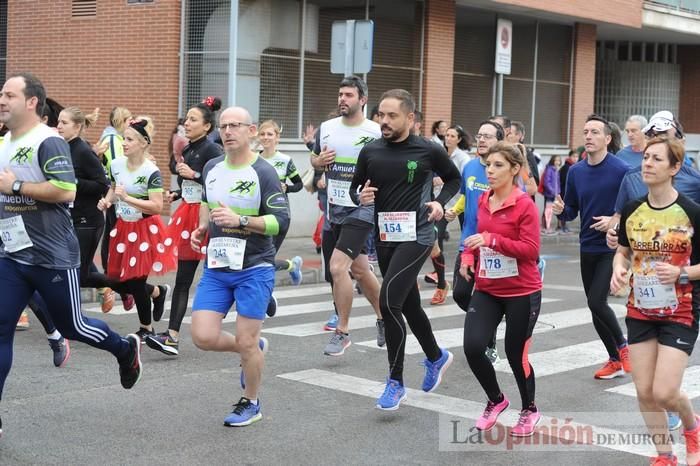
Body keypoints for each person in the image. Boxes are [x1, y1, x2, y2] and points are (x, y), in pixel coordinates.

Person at [0, 72, 142, 436]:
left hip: (52, 255)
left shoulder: (47, 141)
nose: (2, 100)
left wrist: (14, 185)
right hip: (12, 254)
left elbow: (65, 191)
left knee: (72, 326)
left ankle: (125, 350)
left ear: (32, 102)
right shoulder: (3, 142)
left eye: (9, 95)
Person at [350, 89, 461, 410]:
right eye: (380, 115)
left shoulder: (428, 150)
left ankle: (395, 381)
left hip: (419, 234)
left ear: (410, 118)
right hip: (385, 236)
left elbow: (454, 180)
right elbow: (359, 187)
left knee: (388, 303)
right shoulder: (370, 151)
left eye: (391, 116)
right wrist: (363, 196)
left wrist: (440, 205)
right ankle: (436, 357)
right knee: (408, 305)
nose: (383, 121)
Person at [189, 106, 289, 427]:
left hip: (254, 267)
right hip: (218, 265)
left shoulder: (263, 173)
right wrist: (203, 227)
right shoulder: (212, 166)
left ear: (252, 130)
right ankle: (252, 349)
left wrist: (241, 220)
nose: (228, 131)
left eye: (235, 125)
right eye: (223, 126)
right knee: (202, 336)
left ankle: (251, 402)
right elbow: (207, 201)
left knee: (245, 341)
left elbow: (280, 220)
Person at [609, 137, 700, 466]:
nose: (646, 163)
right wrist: (618, 270)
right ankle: (665, 455)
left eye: (656, 159)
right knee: (645, 392)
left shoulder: (691, 212)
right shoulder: (633, 209)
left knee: (664, 392)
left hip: (681, 311)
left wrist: (682, 273)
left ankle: (693, 428)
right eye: (645, 157)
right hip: (640, 310)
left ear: (674, 168)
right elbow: (622, 251)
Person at [461, 142, 543, 437]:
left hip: (522, 290)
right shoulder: (484, 199)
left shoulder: (524, 206)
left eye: (497, 165)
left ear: (515, 170)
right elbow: (472, 232)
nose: (490, 171)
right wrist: (468, 256)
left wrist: (492, 240)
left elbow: (531, 251)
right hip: (487, 288)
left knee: (514, 353)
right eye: (488, 165)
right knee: (472, 346)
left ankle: (529, 409)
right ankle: (496, 400)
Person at [552, 114, 631, 379]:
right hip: (587, 246)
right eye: (586, 132)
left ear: (607, 139)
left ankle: (623, 346)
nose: (588, 136)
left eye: (595, 132)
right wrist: (562, 211)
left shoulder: (621, 170)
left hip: (613, 247)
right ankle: (614, 360)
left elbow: (635, 207)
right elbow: (571, 211)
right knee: (593, 306)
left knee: (597, 301)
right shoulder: (576, 171)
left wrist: (615, 219)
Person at [310, 76, 384, 354]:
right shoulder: (327, 128)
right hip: (334, 209)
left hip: (363, 209)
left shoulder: (376, 131)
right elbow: (314, 158)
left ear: (362, 100)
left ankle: (342, 331)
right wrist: (318, 162)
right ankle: (384, 317)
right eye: (340, 94)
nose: (342, 99)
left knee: (337, 267)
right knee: (360, 270)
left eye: (349, 95)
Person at [145, 100, 224, 356]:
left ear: (207, 125)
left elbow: (218, 183)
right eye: (186, 119)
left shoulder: (213, 150)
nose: (186, 124)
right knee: (183, 280)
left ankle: (262, 298)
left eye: (192, 120)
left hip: (210, 216)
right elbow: (192, 186)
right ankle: (172, 336)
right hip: (187, 215)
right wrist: (177, 193)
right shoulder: (189, 149)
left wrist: (195, 175)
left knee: (226, 273)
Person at [97, 117, 175, 341]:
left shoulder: (151, 171)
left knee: (137, 281)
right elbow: (114, 187)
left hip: (144, 229)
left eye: (129, 139)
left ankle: (146, 328)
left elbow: (157, 206)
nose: (124, 143)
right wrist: (108, 201)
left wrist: (128, 198)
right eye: (124, 138)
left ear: (143, 143)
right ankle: (158, 292)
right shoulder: (115, 164)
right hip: (123, 227)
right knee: (119, 280)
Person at [446, 120, 505, 364]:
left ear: (499, 142)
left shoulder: (504, 171)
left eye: (488, 136)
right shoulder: (469, 167)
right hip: (468, 243)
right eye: (479, 135)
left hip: (491, 246)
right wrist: (453, 210)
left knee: (486, 296)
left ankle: (487, 339)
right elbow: (466, 195)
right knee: (460, 293)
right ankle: (487, 325)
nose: (481, 140)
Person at [425, 124, 471, 305]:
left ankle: (466, 267)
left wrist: (442, 179)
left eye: (452, 136)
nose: (448, 138)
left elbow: (463, 181)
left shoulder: (463, 158)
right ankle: (441, 281)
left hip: (459, 203)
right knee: (434, 239)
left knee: (466, 235)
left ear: (459, 139)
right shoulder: (440, 153)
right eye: (447, 135)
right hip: (440, 204)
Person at [257, 120, 304, 292]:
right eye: (262, 134)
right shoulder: (253, 159)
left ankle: (266, 298)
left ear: (277, 137)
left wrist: (287, 188)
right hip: (257, 216)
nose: (266, 137)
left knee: (264, 260)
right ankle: (291, 265)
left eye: (270, 134)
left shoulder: (285, 160)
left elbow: (299, 184)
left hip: (279, 215)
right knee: (259, 260)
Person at [95, 106, 134, 311]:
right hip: (115, 194)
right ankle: (114, 283)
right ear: (120, 121)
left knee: (115, 237)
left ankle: (119, 284)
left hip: (119, 194)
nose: (132, 122)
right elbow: (117, 167)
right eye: (129, 119)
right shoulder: (112, 140)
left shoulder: (117, 139)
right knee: (113, 237)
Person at [557, 149, 577, 233]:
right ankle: (562, 226)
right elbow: (565, 182)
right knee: (563, 208)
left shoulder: (571, 167)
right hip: (563, 192)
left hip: (564, 191)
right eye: (574, 156)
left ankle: (562, 226)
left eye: (577, 156)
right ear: (569, 157)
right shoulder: (567, 167)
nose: (576, 158)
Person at [541, 155, 561, 235]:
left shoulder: (556, 170)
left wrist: (558, 192)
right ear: (552, 161)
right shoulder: (550, 169)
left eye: (559, 161)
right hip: (549, 194)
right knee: (548, 211)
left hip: (555, 194)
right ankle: (546, 227)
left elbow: (558, 183)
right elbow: (547, 182)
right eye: (556, 160)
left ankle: (546, 227)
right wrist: (553, 192)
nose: (557, 162)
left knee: (550, 210)